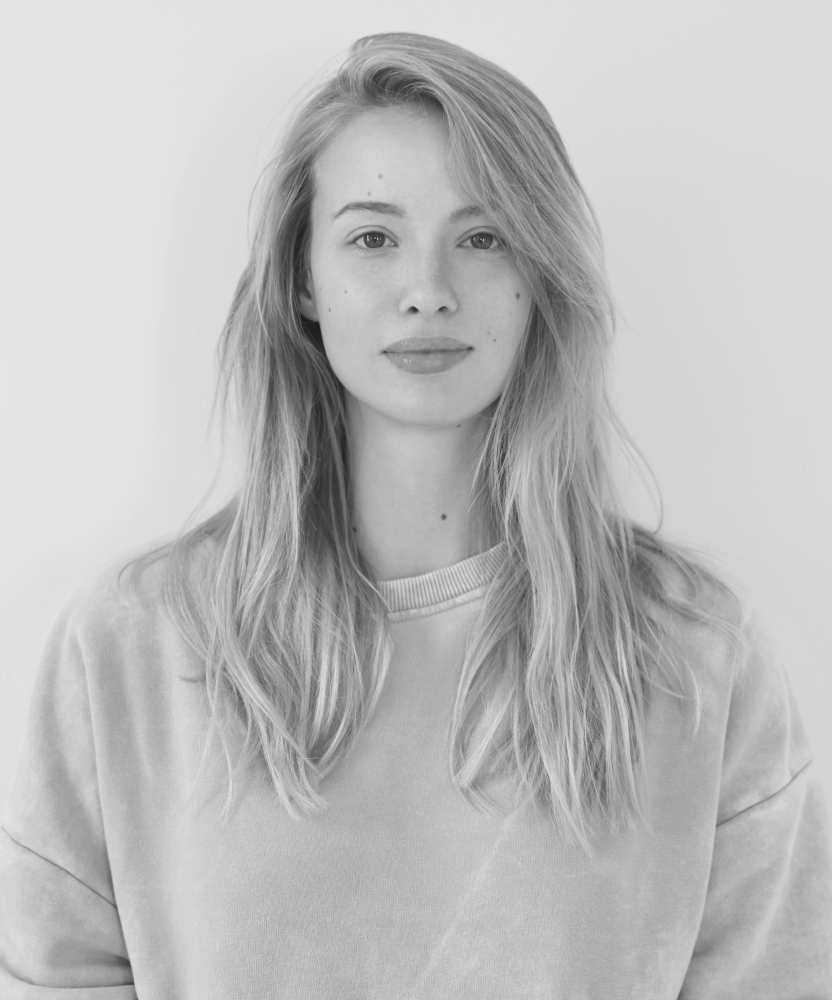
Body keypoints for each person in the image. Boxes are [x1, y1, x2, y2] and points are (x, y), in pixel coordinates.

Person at [1, 31, 829, 998]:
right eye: (372, 238)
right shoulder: (130, 646)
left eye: (483, 237)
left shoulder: (695, 654)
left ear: (540, 273)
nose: (429, 292)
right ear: (303, 280)